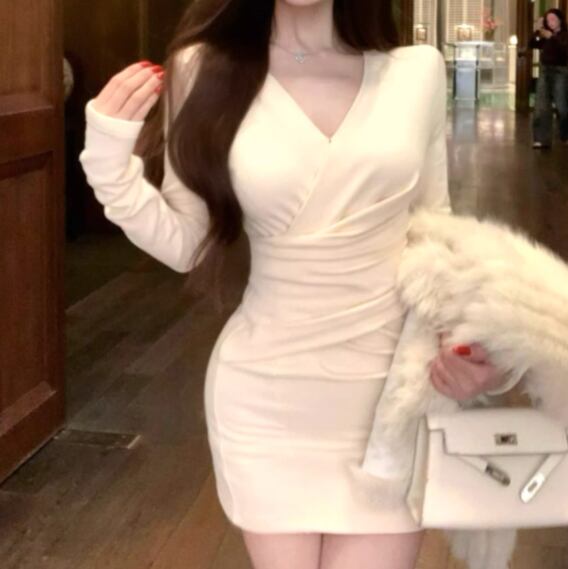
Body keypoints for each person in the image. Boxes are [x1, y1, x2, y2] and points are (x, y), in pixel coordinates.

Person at [79, 1, 515, 568]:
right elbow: (189, 243)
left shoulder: (417, 72)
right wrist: (108, 167)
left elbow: (436, 229)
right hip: (266, 398)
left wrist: (466, 343)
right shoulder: (201, 68)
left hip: (390, 402)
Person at [528, 8, 568, 148]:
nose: (550, 22)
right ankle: (541, 139)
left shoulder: (564, 35)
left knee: (562, 107)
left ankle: (565, 134)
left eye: (553, 19)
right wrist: (537, 30)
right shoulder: (545, 35)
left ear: (560, 20)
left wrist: (552, 37)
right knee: (541, 106)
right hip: (545, 71)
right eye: (548, 19)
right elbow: (532, 44)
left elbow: (564, 49)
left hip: (560, 72)